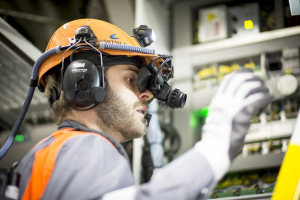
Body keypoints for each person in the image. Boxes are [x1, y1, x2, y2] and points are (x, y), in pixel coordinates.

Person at [15, 19, 273, 200]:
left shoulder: (51, 153)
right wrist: (214, 149)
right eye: (131, 79)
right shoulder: (83, 146)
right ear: (82, 81)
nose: (147, 94)